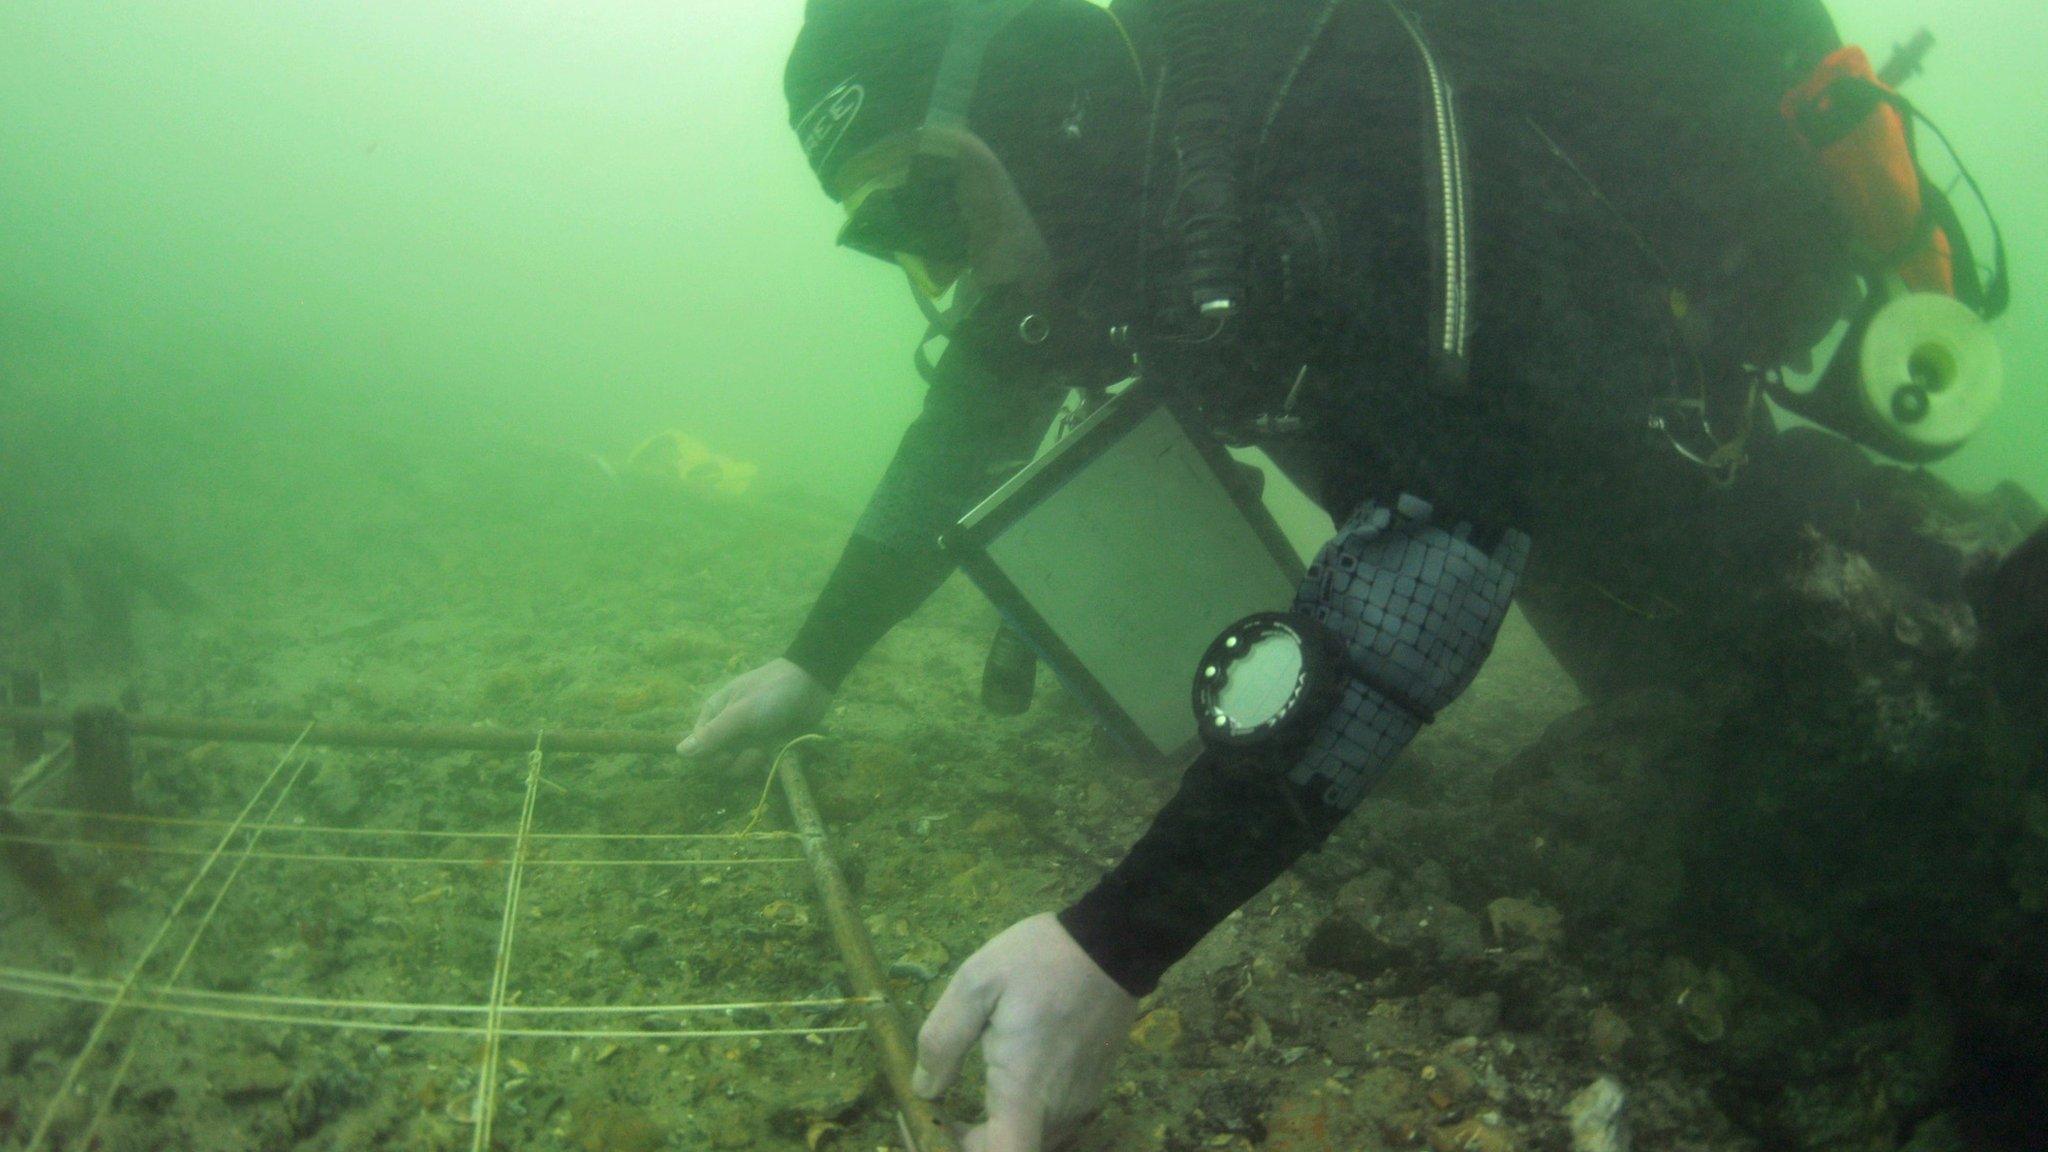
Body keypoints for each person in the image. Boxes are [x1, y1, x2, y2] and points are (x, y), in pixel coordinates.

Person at [679, 1, 1993, 1147]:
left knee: (1902, 776)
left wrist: (1115, 942)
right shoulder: (1135, 206)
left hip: (1642, 453)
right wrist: (816, 660)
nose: (944, 272)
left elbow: (1441, 552)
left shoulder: (1321, 125)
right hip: (1551, 494)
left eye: (925, 203)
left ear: (1031, 109)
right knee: (1704, 753)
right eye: (892, 241)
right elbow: (970, 415)